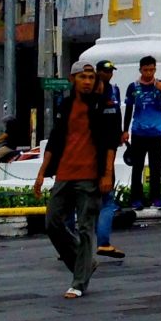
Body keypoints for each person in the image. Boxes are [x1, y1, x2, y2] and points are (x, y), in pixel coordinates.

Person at [33, 60, 120, 299]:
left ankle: (79, 282)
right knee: (53, 223)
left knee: (84, 228)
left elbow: (111, 141)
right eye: (83, 77)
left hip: (91, 174)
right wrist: (42, 172)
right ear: (73, 80)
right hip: (65, 172)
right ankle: (84, 264)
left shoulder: (105, 104)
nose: (88, 82)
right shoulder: (66, 105)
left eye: (92, 78)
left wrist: (107, 174)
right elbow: (55, 139)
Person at [123, 55, 161, 210]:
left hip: (157, 132)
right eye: (146, 70)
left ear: (155, 69)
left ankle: (156, 197)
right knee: (137, 166)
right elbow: (128, 109)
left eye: (151, 69)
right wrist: (125, 130)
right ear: (140, 70)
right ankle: (136, 198)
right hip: (138, 132)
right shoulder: (133, 87)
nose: (149, 73)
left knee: (155, 166)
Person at [94, 60, 125, 261]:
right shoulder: (98, 99)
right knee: (105, 201)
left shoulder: (114, 91)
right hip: (100, 152)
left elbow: (118, 114)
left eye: (110, 71)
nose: (108, 75)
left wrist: (120, 133)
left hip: (105, 149)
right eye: (104, 72)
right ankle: (102, 242)